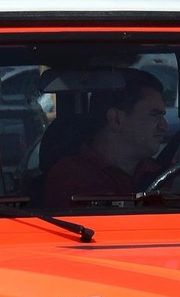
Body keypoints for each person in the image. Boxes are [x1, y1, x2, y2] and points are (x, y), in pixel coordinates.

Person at [43, 69, 169, 210]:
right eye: (154, 115)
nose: (165, 126)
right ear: (117, 119)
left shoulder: (161, 173)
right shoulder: (70, 177)